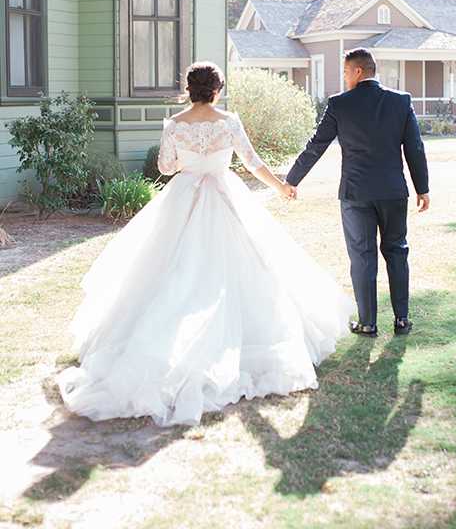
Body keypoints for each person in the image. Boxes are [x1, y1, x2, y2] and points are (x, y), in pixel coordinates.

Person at [58, 61, 355, 427]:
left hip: (184, 195)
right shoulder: (229, 122)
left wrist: (188, 159)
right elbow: (251, 160)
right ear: (217, 88)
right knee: (244, 266)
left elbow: (165, 168)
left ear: (188, 89)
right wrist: (280, 186)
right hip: (224, 191)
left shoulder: (175, 123)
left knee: (169, 266)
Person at [284, 48, 429, 338]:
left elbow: (317, 145)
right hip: (393, 192)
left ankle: (368, 324)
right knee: (397, 251)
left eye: (347, 71)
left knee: (363, 258)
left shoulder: (339, 104)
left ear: (358, 71)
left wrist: (292, 179)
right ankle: (402, 320)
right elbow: (414, 147)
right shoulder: (401, 101)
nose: (345, 77)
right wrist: (422, 188)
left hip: (356, 195)